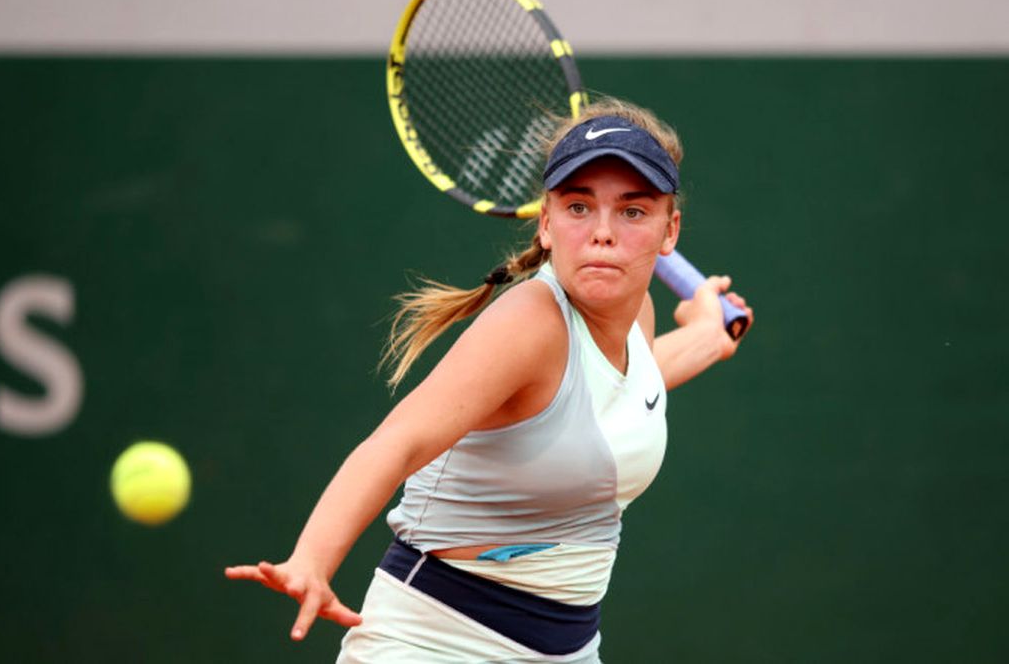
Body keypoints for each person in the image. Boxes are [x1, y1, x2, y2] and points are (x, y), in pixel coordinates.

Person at [226, 98, 754, 662]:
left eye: (632, 211)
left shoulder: (635, 319)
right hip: (435, 643)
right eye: (579, 207)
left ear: (669, 230)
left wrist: (707, 334)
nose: (602, 232)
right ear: (546, 224)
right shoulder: (529, 322)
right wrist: (313, 559)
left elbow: (617, 393)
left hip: (568, 650)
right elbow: (398, 441)